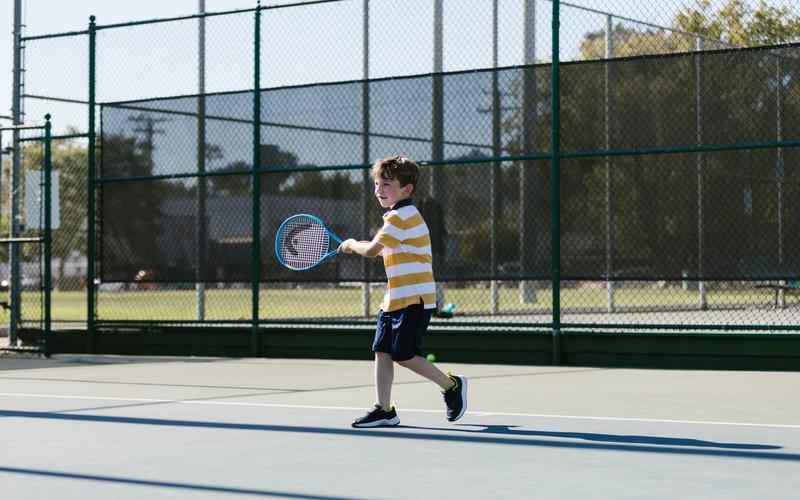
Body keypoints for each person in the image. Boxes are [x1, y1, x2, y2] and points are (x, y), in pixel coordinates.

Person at [338, 155, 467, 428]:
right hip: (394, 297)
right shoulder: (395, 218)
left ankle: (451, 386)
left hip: (415, 298)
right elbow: (377, 244)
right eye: (376, 184)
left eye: (386, 184)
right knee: (382, 350)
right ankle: (384, 409)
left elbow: (372, 250)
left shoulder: (401, 217)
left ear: (406, 189)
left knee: (403, 354)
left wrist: (350, 244)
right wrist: (355, 243)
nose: (379, 190)